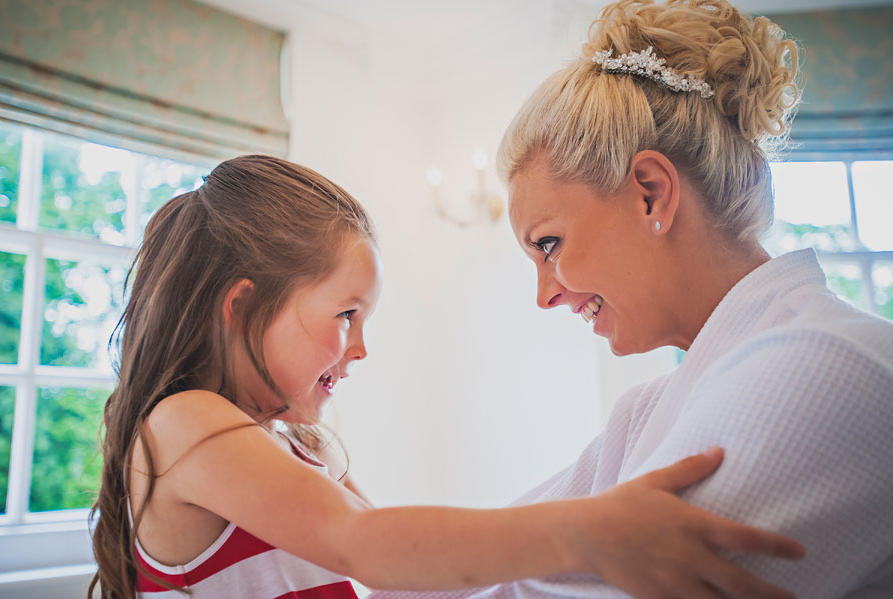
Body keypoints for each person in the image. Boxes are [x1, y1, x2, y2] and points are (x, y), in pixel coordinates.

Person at [87, 155, 805, 599]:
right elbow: (359, 542)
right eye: (345, 314)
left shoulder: (293, 443)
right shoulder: (181, 422)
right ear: (240, 305)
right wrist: (585, 532)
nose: (360, 348)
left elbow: (391, 564)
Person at [369, 1, 893, 599]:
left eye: (548, 244)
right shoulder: (647, 411)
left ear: (650, 194)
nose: (545, 296)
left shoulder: (825, 368)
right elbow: (456, 572)